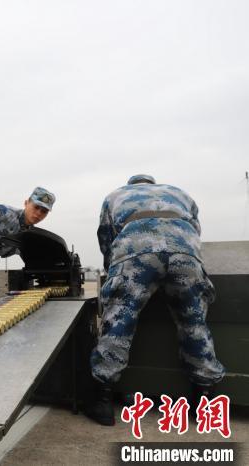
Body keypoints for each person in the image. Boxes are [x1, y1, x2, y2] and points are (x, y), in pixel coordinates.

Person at [87, 174, 225, 426]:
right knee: (194, 323)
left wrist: (116, 274)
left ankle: (103, 400)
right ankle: (203, 398)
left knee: (119, 321)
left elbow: (106, 238)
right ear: (153, 184)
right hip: (185, 251)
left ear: (133, 185)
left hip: (135, 251)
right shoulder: (180, 192)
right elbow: (195, 229)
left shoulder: (115, 195)